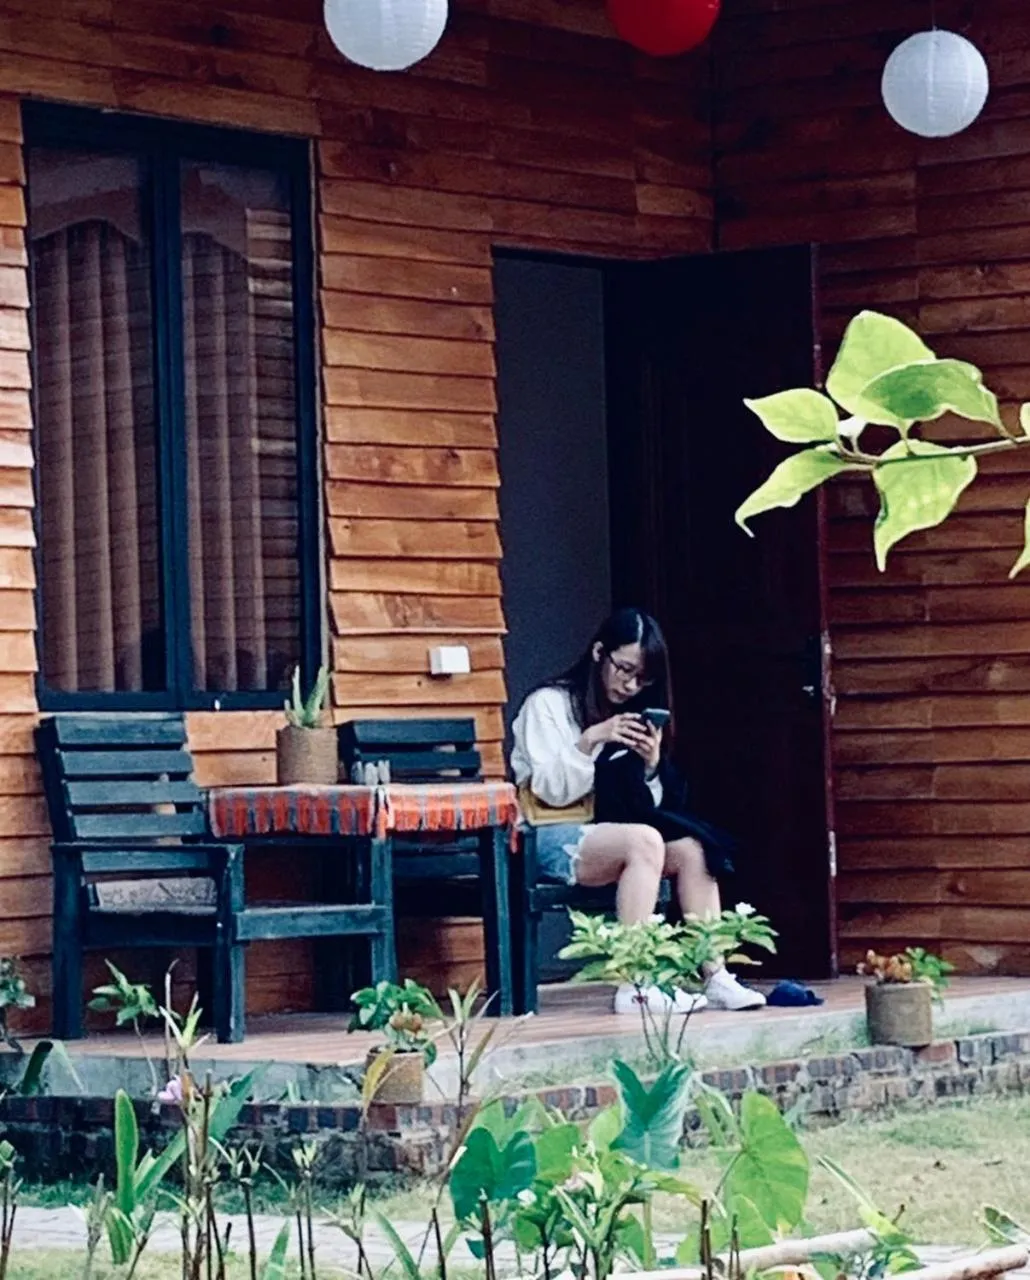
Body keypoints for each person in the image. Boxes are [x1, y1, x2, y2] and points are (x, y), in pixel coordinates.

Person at [511, 607, 766, 1015]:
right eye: (624, 669)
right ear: (598, 653)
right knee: (645, 840)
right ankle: (636, 981)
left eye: (642, 678)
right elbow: (548, 790)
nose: (630, 685)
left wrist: (650, 766)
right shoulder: (548, 704)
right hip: (544, 837)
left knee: (693, 849)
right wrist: (592, 739)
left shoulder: (632, 713)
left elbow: (646, 808)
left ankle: (715, 974)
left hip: (609, 834)